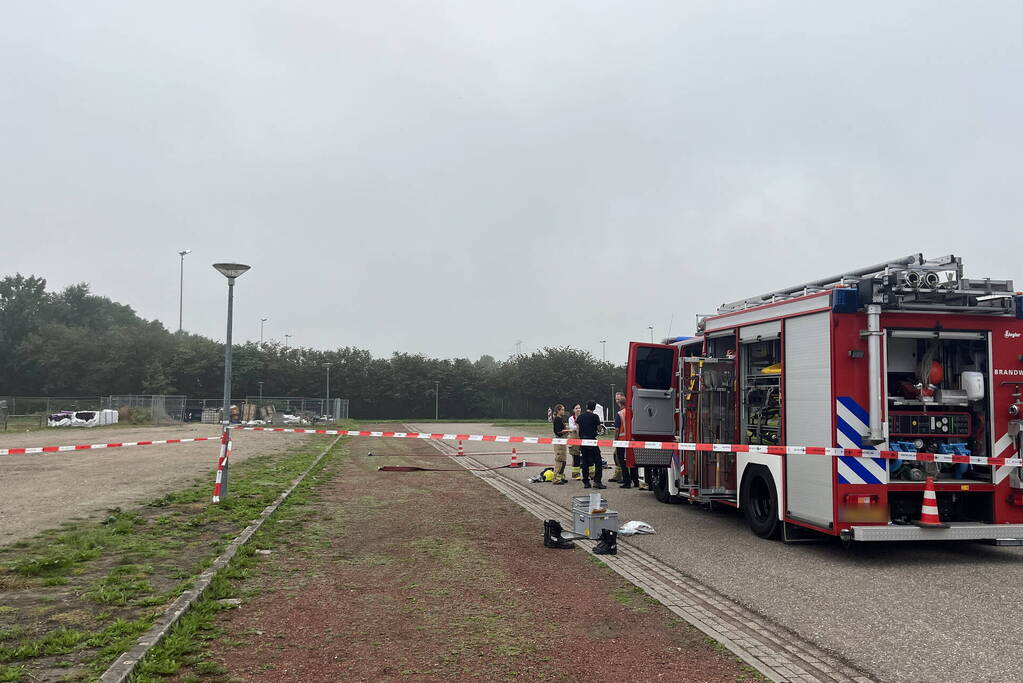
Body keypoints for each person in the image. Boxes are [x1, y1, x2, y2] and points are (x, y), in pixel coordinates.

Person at [577, 400, 605, 489]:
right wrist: (599, 426)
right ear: (594, 408)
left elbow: (577, 429)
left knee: (585, 462)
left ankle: (586, 482)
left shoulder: (580, 417)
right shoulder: (595, 416)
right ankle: (597, 481)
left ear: (586, 406)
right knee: (598, 461)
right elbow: (599, 429)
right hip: (592, 441)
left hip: (583, 441)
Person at [550, 404, 570, 485]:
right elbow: (558, 432)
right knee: (559, 460)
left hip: (562, 441)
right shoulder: (557, 419)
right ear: (558, 411)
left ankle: (560, 477)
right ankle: (555, 479)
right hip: (559, 441)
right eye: (562, 409)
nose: (563, 411)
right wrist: (568, 430)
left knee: (563, 460)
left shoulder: (560, 419)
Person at [568, 404, 583, 480]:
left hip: (583, 437)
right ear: (573, 410)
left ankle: (590, 474)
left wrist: (578, 427)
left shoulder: (583, 417)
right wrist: (578, 427)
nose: (578, 409)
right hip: (574, 438)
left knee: (586, 456)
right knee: (576, 457)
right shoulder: (571, 418)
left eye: (579, 408)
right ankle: (576, 474)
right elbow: (571, 427)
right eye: (576, 408)